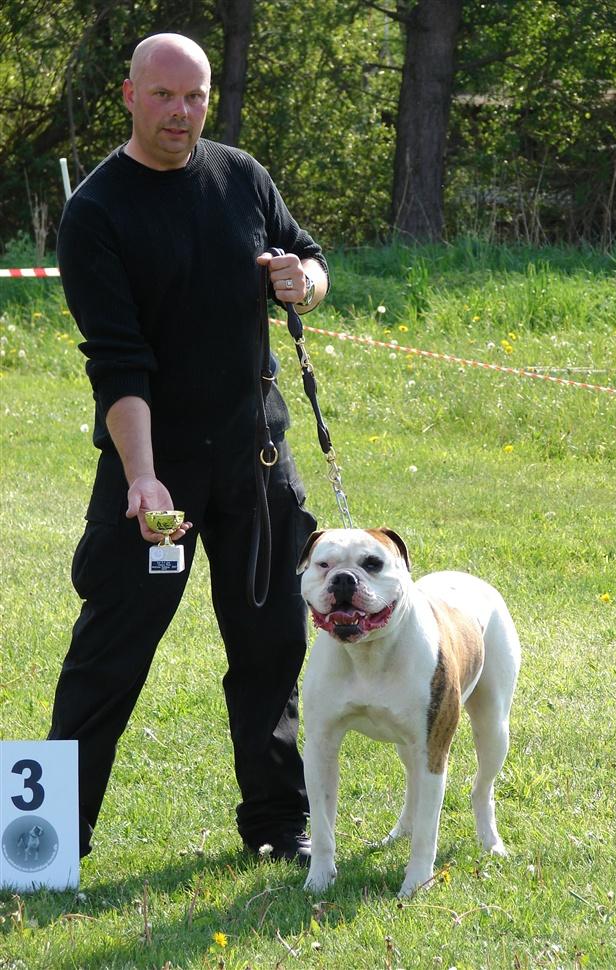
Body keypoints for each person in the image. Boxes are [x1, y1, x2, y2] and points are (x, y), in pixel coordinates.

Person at [48, 32, 329, 866]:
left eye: (196, 97)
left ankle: (278, 826)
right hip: (156, 471)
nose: (181, 113)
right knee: (110, 652)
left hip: (257, 457)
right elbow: (117, 362)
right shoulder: (96, 213)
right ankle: (50, 838)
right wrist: (141, 479)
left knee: (273, 643)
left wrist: (302, 281)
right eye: (164, 96)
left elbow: (308, 256)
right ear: (129, 96)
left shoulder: (241, 175)